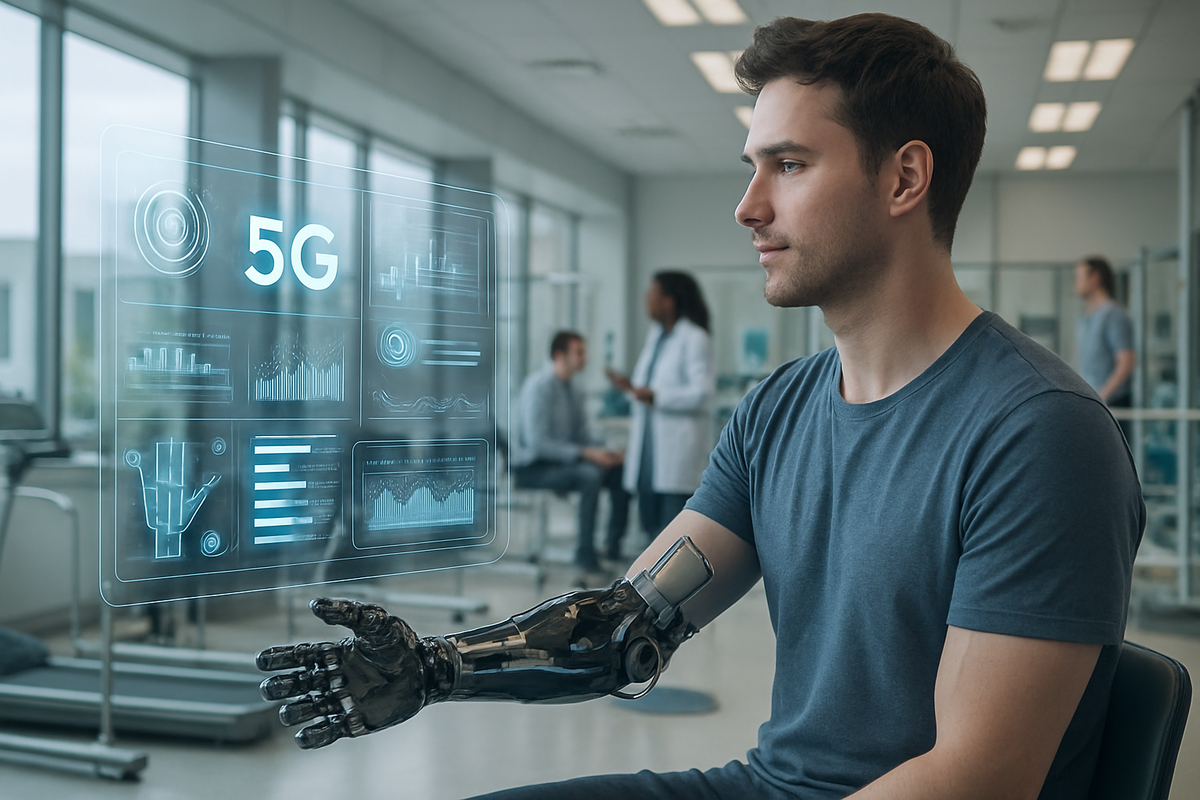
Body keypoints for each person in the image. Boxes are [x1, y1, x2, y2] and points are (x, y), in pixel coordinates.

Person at [256, 13, 1144, 800]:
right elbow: (622, 629)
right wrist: (438, 668)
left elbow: (976, 780)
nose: (748, 207)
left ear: (905, 178)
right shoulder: (778, 414)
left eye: (789, 165)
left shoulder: (1038, 434)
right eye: (753, 167)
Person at [606, 271, 715, 544]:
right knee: (649, 530)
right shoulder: (656, 337)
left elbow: (702, 393)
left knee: (670, 541)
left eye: (651, 294)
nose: (646, 300)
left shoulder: (694, 338)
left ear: (668, 301)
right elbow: (649, 386)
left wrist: (656, 396)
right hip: (647, 454)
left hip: (674, 455)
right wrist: (632, 387)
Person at [511, 331, 628, 573]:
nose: (585, 358)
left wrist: (609, 452)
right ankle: (585, 556)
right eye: (579, 352)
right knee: (589, 475)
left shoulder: (573, 390)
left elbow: (583, 434)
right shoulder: (538, 388)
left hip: (563, 462)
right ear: (559, 355)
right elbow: (538, 443)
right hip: (533, 467)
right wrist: (586, 454)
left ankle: (612, 548)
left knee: (619, 471)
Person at [1074, 254, 1136, 413]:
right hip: (1092, 402)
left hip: (1111, 404)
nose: (1075, 284)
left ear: (1095, 278)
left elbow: (1126, 362)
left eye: (1079, 277)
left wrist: (1101, 397)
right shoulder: (1086, 318)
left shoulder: (1114, 315)